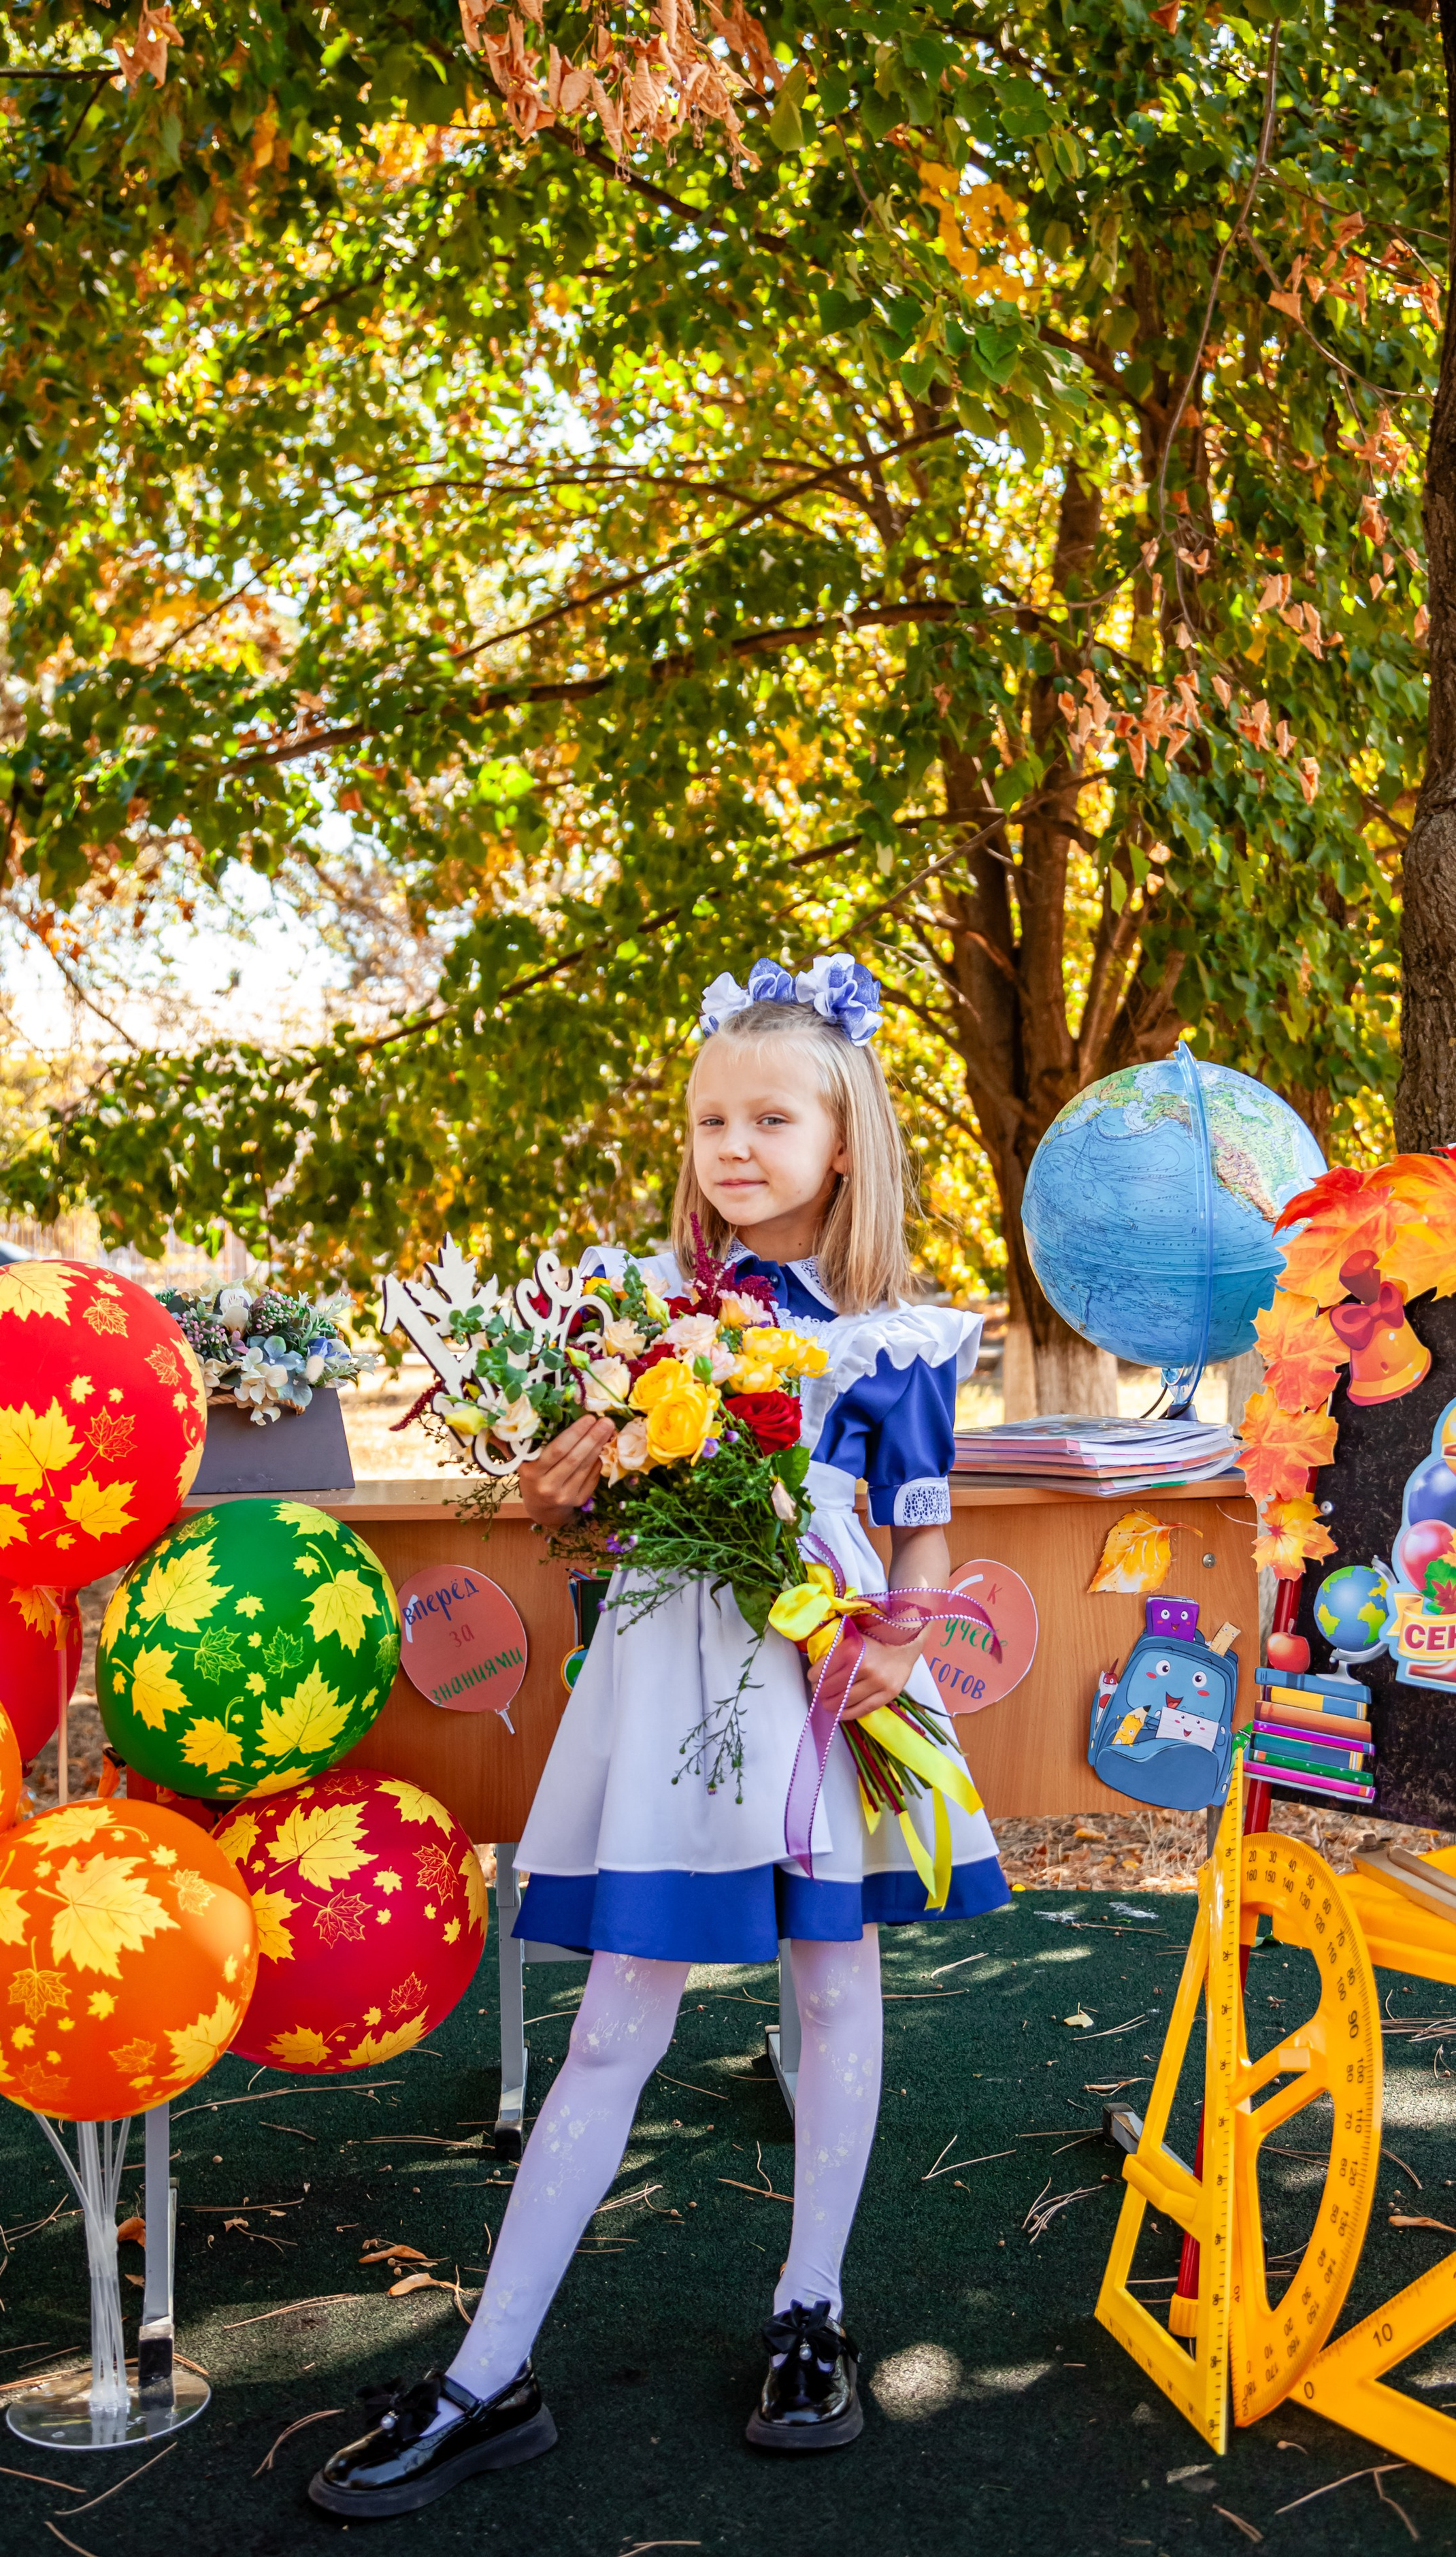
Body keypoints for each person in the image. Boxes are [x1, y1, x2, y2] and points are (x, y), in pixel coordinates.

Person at [310, 952, 1010, 2518]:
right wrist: (571, 1477)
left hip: (825, 1694)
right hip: (678, 1689)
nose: (733, 1146)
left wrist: (900, 1635)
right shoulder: (634, 1314)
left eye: (770, 1117)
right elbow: (600, 1508)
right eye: (708, 1122)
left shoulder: (894, 1341)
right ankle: (486, 2374)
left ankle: (810, 2313)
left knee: (835, 1982)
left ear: (848, 1144)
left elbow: (914, 1537)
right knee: (619, 2016)